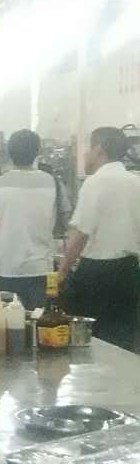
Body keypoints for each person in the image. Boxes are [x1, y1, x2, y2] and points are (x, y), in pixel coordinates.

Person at [60, 126, 140, 349]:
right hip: (129, 271)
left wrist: (63, 270)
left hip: (96, 274)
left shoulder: (95, 182)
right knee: (124, 340)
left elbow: (81, 233)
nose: (85, 154)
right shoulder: (135, 182)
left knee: (92, 340)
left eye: (89, 148)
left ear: (99, 150)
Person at [0, 129, 68, 311]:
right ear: (37, 152)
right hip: (41, 271)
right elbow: (65, 222)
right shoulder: (54, 184)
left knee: (3, 322)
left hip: (4, 269)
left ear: (9, 153)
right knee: (40, 322)